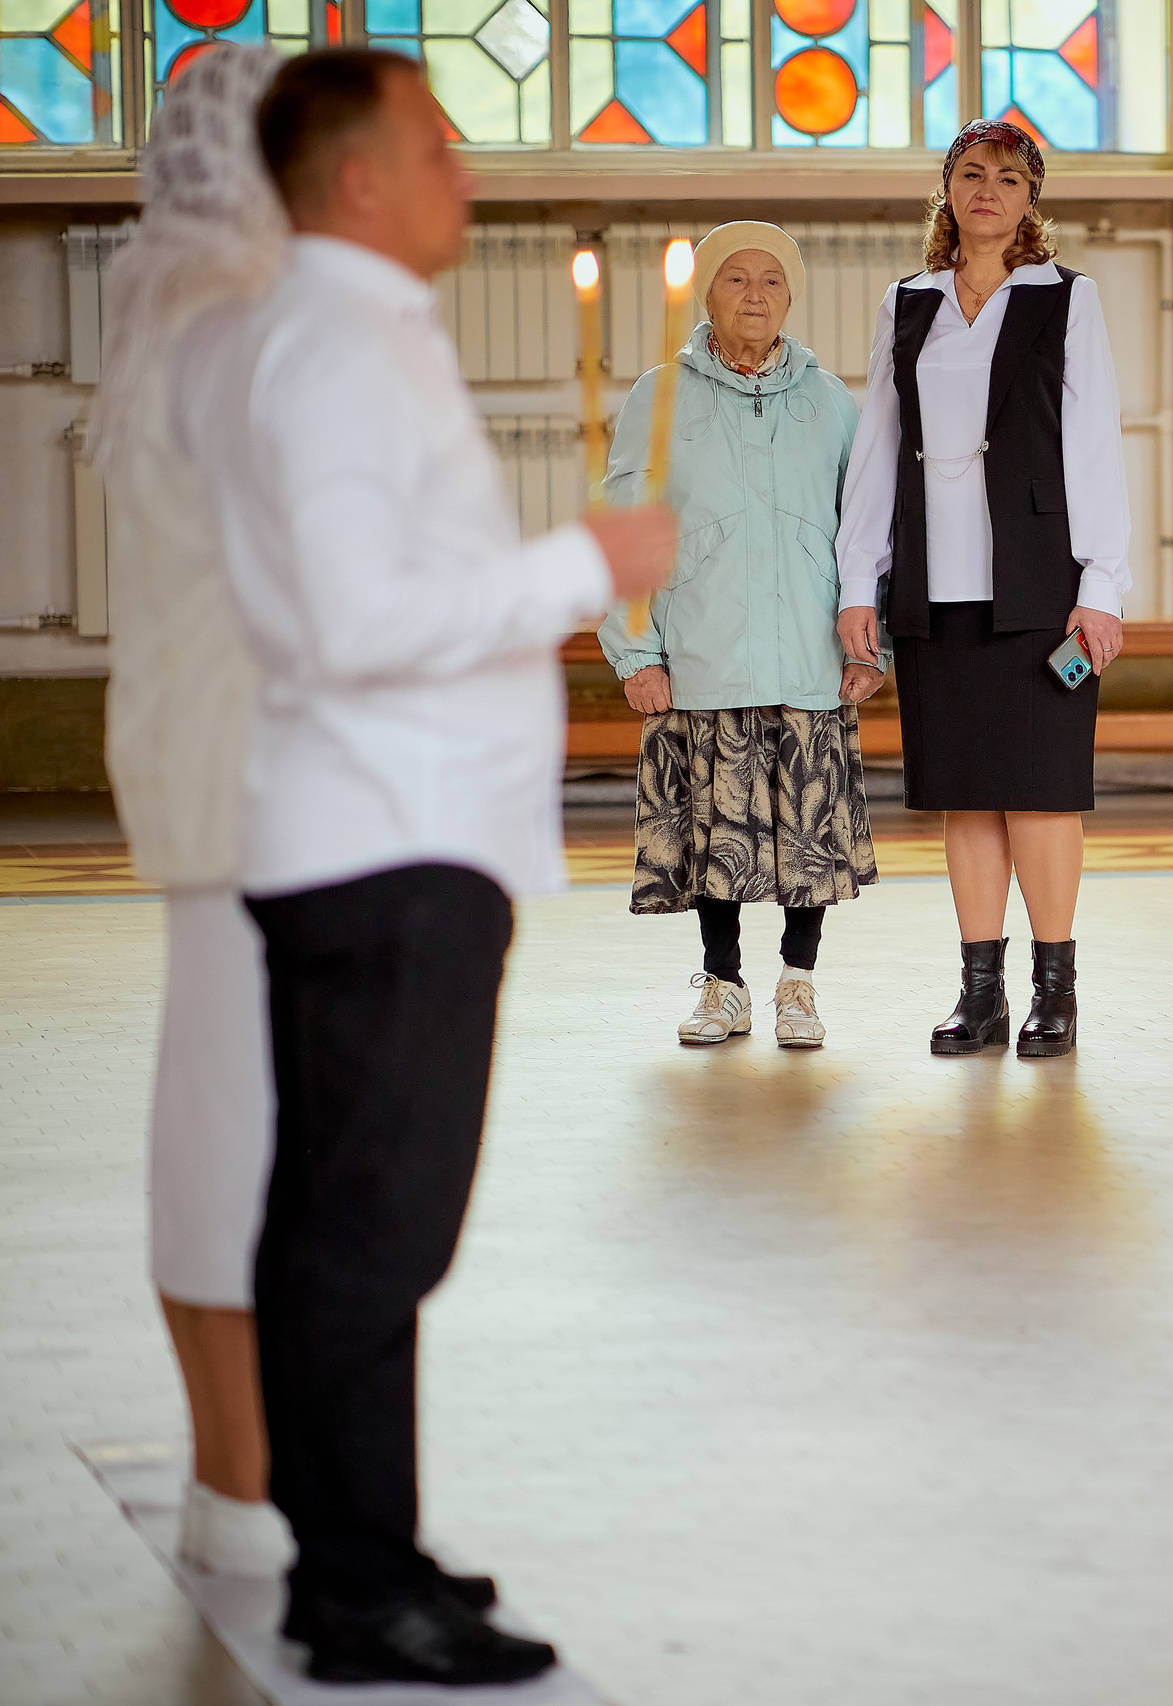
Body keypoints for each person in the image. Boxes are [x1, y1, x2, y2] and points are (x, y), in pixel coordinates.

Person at [182, 48, 672, 1682]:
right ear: (360, 179)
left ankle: (362, 1552)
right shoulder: (332, 348)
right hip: (385, 843)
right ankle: (356, 1584)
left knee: (343, 1215)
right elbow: (355, 620)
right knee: (371, 1227)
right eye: (442, 145)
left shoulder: (346, 332)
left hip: (389, 832)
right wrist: (576, 565)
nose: (470, 172)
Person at [91, 40, 289, 1583]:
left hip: (206, 739)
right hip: (255, 754)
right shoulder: (234, 316)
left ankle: (245, 1458)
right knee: (237, 1108)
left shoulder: (174, 296)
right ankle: (238, 1473)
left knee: (220, 1090)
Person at [835, 118, 1133, 1060]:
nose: (988, 190)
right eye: (972, 174)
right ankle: (981, 996)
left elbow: (1095, 449)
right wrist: (857, 582)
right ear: (949, 190)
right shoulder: (906, 304)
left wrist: (1104, 588)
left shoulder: (1066, 300)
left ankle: (1056, 993)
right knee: (966, 797)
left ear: (1030, 198)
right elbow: (877, 449)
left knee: (1042, 795)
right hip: (935, 586)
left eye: (1008, 177)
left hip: (1043, 591)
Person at [601, 220, 877, 1049]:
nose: (753, 294)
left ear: (790, 298)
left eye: (771, 281)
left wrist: (871, 643)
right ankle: (724, 986)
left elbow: (865, 532)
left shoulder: (830, 400)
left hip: (806, 653)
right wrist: (635, 650)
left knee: (806, 833)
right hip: (703, 650)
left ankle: (798, 985)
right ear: (707, 293)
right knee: (714, 832)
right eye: (735, 279)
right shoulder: (660, 393)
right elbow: (626, 523)